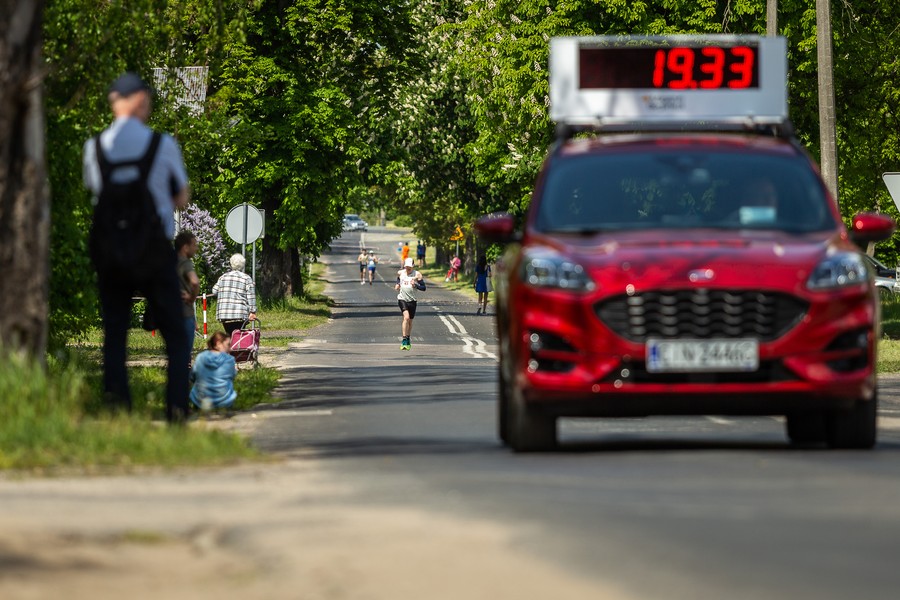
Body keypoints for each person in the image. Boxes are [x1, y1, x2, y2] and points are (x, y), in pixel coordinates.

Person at [82, 72, 191, 423]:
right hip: (154, 251)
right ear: (141, 101)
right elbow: (182, 199)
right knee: (175, 335)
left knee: (114, 332)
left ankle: (119, 410)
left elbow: (96, 192)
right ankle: (176, 408)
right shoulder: (162, 145)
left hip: (111, 251)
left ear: (113, 102)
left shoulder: (94, 147)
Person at [190, 331, 237, 412]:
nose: (231, 348)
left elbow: (192, 376)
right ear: (218, 343)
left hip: (200, 400)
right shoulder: (229, 360)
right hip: (224, 401)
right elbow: (232, 376)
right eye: (228, 345)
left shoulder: (201, 357)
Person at [213, 253, 257, 336]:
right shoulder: (246, 278)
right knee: (238, 335)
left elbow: (214, 291)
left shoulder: (223, 277)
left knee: (229, 334)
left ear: (231, 264)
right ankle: (236, 347)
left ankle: (230, 347)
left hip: (224, 313)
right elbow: (251, 297)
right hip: (240, 313)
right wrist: (252, 311)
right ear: (243, 265)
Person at [175, 230, 200, 358]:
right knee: (185, 355)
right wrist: (192, 297)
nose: (196, 248)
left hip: (170, 314)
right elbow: (195, 282)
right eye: (194, 245)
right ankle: (184, 377)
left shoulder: (169, 261)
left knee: (174, 354)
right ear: (185, 247)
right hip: (185, 313)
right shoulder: (185, 262)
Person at [396, 257, 426, 350]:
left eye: (409, 266)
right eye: (406, 266)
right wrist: (397, 284)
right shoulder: (401, 272)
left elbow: (424, 288)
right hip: (402, 299)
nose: (408, 268)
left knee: (410, 321)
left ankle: (408, 338)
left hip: (412, 300)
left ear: (413, 266)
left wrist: (415, 285)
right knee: (406, 317)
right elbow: (398, 279)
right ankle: (404, 339)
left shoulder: (417, 274)